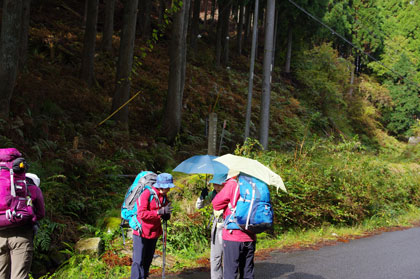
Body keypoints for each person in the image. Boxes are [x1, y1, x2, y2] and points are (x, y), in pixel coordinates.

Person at [0, 172, 45, 279]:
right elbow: (40, 214)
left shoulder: (3, 186)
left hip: (0, 234)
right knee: (19, 275)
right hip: (22, 236)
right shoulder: (33, 188)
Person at [131, 173, 174, 279]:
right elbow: (141, 214)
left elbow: (163, 212)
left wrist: (166, 215)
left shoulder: (163, 197)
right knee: (138, 261)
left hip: (153, 232)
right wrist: (159, 212)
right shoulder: (146, 194)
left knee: (147, 260)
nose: (168, 189)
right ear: (161, 186)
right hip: (141, 232)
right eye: (167, 187)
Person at [212, 176, 257, 279]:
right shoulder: (255, 184)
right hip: (250, 234)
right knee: (248, 272)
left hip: (233, 235)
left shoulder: (232, 184)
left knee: (230, 273)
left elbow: (216, 204)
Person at [195, 173, 227, 279]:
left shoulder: (229, 194)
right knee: (215, 257)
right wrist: (201, 197)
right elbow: (199, 206)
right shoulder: (213, 194)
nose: (216, 187)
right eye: (214, 184)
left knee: (227, 258)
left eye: (219, 185)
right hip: (216, 226)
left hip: (227, 227)